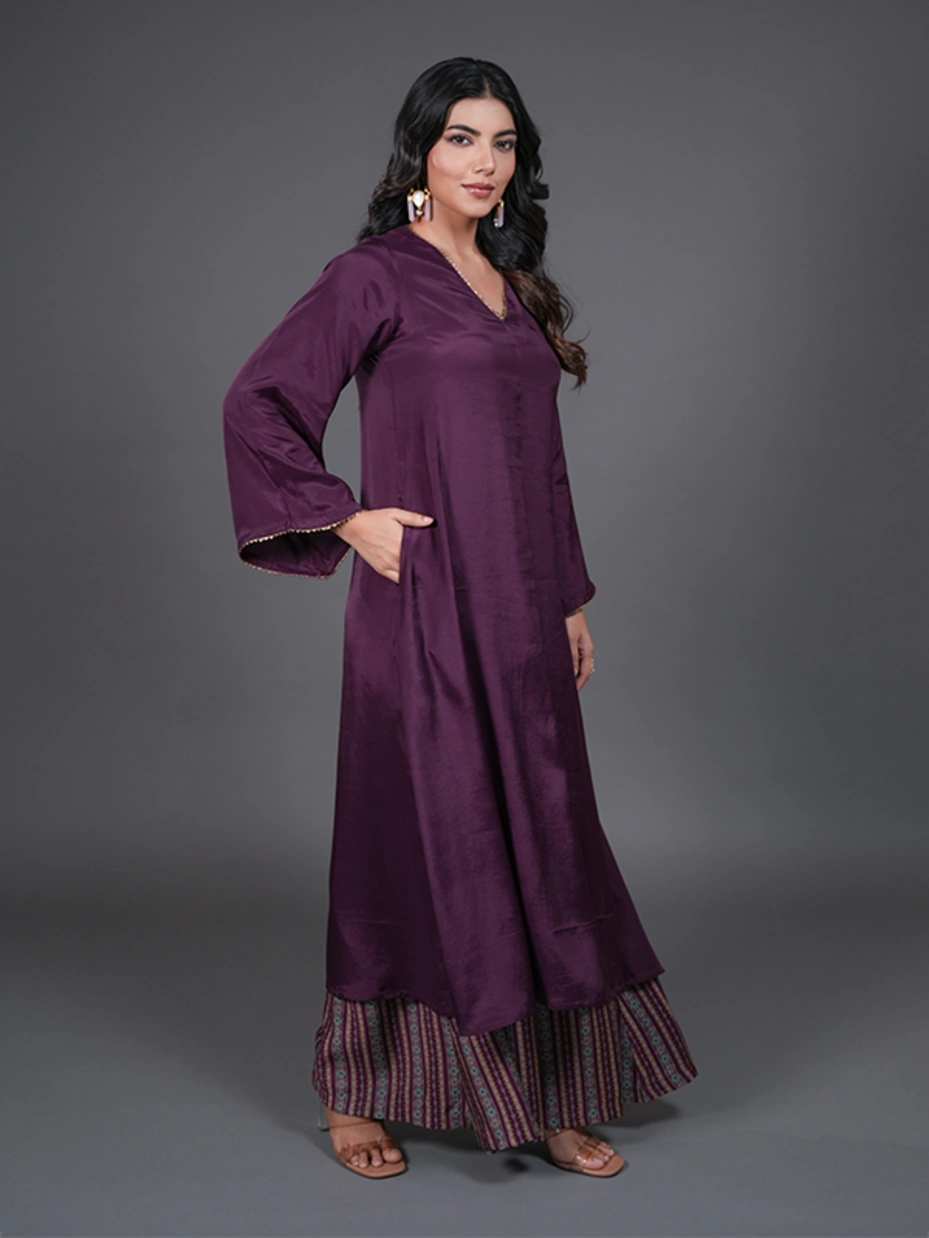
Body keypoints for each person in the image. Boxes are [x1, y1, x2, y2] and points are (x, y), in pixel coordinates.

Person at [222, 56, 697, 1180]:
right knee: (425, 831)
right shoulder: (372, 276)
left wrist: (568, 596)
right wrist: (346, 517)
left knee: (545, 831)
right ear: (418, 155)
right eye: (462, 139)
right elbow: (260, 400)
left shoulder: (515, 287)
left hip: (523, 611)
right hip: (425, 606)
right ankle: (358, 1088)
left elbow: (545, 466)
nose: (485, 163)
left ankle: (551, 1090)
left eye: (503, 143)